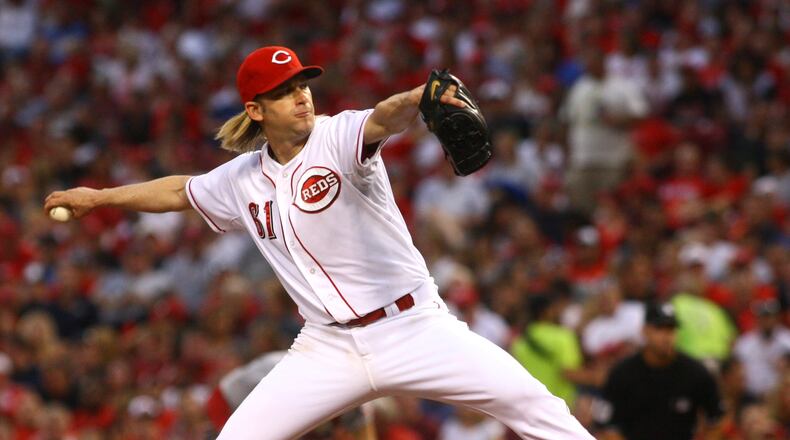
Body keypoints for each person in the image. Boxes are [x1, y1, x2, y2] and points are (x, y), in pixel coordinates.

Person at [45, 46, 594, 439]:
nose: (301, 97)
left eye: (302, 85)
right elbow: (178, 191)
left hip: (413, 326)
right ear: (256, 110)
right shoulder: (241, 178)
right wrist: (101, 197)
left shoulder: (336, 135)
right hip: (327, 348)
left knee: (535, 407)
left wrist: (416, 97)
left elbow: (384, 118)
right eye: (284, 92)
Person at [600, 303, 724, 440]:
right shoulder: (623, 373)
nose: (666, 336)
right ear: (645, 331)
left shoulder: (695, 373)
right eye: (659, 328)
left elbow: (717, 419)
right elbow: (607, 426)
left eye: (671, 329)